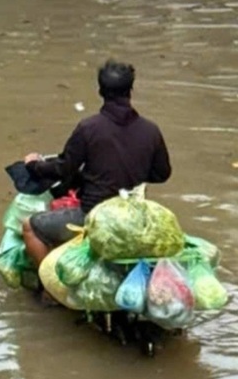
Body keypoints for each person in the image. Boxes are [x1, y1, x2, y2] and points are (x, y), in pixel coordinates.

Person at [21, 59, 171, 268]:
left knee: (30, 226)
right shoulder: (151, 130)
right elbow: (162, 174)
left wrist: (33, 165)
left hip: (93, 216)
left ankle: (49, 289)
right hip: (133, 218)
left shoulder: (89, 128)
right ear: (131, 89)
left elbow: (63, 168)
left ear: (100, 90)